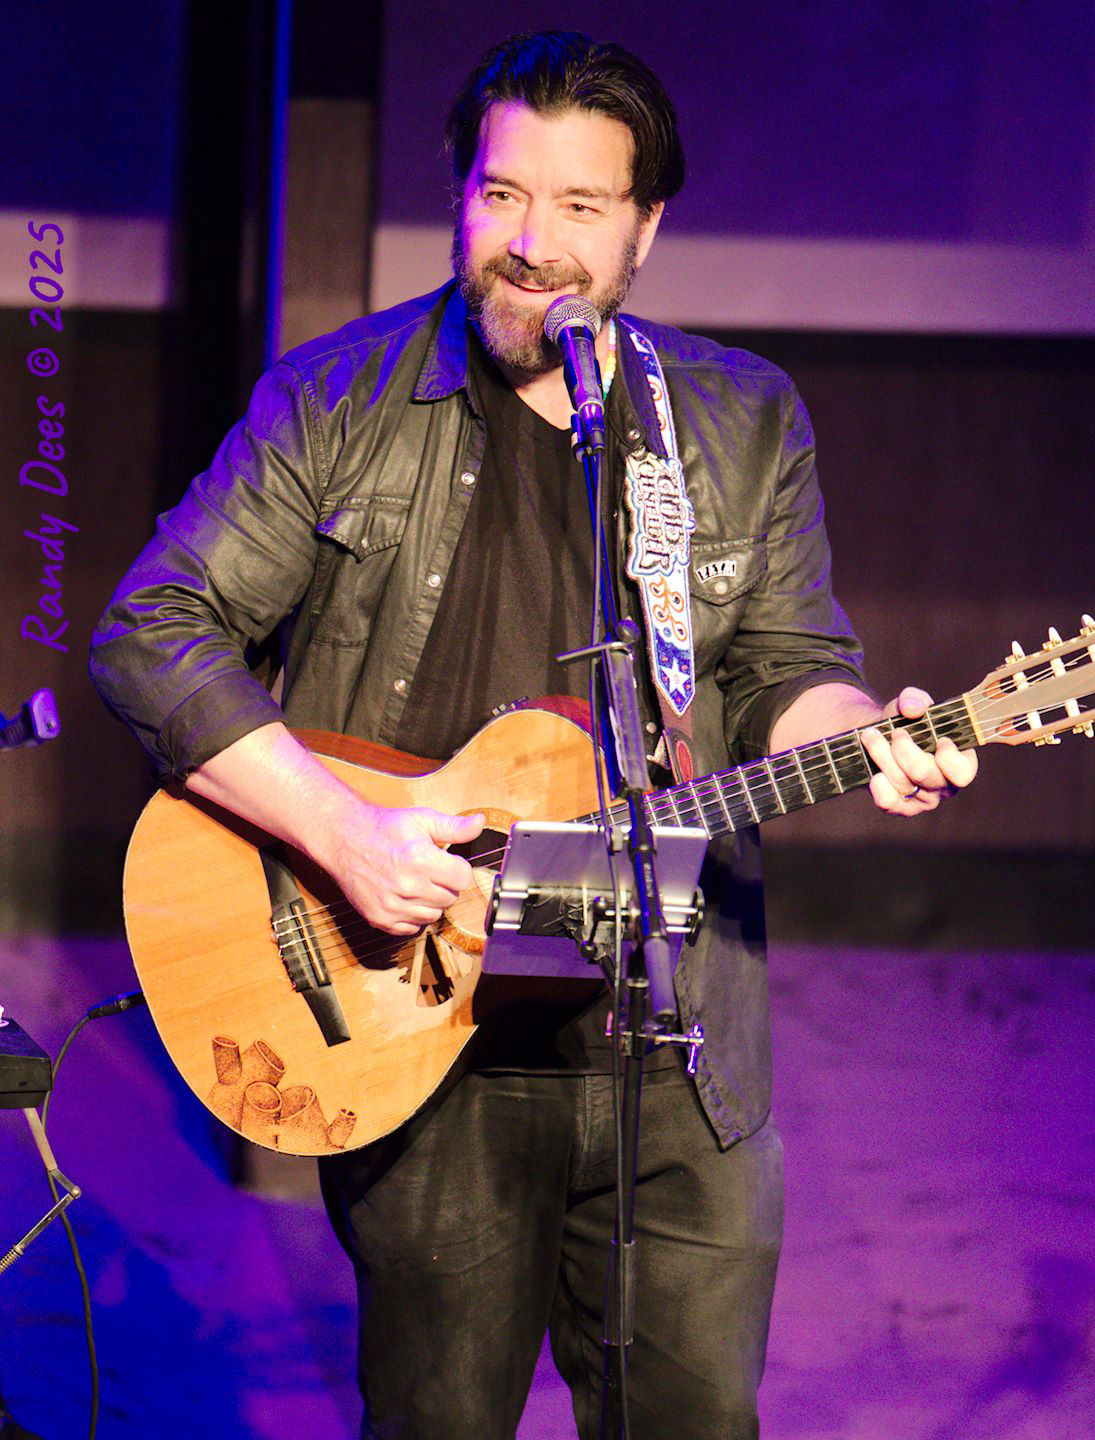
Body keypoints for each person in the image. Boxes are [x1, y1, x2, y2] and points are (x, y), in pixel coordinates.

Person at [90, 31, 977, 1440]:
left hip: (676, 1038)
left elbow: (790, 668)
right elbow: (153, 631)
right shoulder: (335, 401)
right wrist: (345, 834)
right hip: (421, 1019)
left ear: (645, 229)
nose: (532, 245)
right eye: (503, 196)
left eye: (578, 209)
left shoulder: (741, 423)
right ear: (461, 197)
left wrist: (871, 732)